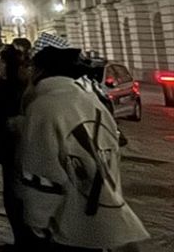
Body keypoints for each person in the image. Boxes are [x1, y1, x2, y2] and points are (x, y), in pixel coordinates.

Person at [16, 43, 148, 251]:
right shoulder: (92, 101)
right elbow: (112, 151)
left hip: (68, 223)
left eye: (32, 68)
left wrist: (37, 219)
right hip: (106, 214)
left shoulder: (42, 108)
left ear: (41, 71)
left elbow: (42, 171)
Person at [0, 44, 32, 247]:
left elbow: (4, 111)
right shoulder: (16, 82)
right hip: (11, 143)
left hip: (12, 143)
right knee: (13, 191)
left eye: (0, 61)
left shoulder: (14, 84)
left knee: (14, 192)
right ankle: (21, 238)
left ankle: (23, 239)